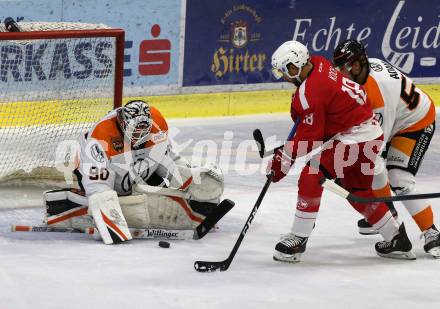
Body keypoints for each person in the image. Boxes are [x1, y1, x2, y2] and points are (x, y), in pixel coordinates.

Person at [267, 40, 415, 263]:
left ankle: (298, 238)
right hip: (370, 133)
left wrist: (285, 158)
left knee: (311, 175)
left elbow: (312, 137)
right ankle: (396, 239)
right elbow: (321, 123)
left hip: (356, 138)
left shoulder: (311, 91)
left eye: (285, 71)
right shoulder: (319, 64)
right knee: (357, 191)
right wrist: (288, 150)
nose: (285, 78)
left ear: (295, 65)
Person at [43, 100, 225, 244]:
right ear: (122, 124)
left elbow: (167, 158)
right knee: (105, 197)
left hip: (138, 168)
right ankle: (67, 206)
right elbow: (98, 186)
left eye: (142, 133)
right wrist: (109, 218)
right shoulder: (100, 137)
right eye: (134, 133)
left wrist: (190, 178)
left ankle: (198, 211)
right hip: (103, 170)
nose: (138, 137)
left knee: (184, 181)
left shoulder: (157, 124)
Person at [332, 39, 440, 258]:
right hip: (398, 118)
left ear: (355, 66)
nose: (339, 75)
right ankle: (387, 213)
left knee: (397, 177)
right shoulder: (364, 71)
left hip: (415, 122)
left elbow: (375, 146)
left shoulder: (377, 94)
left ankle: (431, 233)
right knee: (375, 168)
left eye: (341, 69)